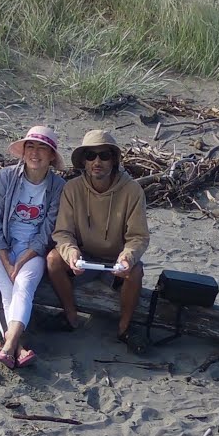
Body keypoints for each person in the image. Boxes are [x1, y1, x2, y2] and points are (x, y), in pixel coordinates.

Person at [47, 129, 150, 352]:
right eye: (91, 156)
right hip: (84, 258)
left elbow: (138, 237)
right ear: (83, 161)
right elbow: (63, 232)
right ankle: (71, 316)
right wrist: (70, 252)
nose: (97, 161)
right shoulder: (72, 189)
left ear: (113, 159)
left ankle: (124, 329)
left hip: (115, 261)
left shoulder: (132, 191)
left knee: (136, 271)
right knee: (53, 259)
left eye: (104, 155)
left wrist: (127, 257)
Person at [0, 125, 67, 369]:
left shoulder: (58, 187)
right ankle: (18, 348)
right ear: (24, 150)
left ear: (51, 155)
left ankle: (7, 347)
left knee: (24, 287)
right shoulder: (5, 177)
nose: (35, 153)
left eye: (42, 148)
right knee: (6, 293)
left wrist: (23, 259)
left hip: (33, 250)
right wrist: (7, 261)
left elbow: (48, 231)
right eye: (31, 146)